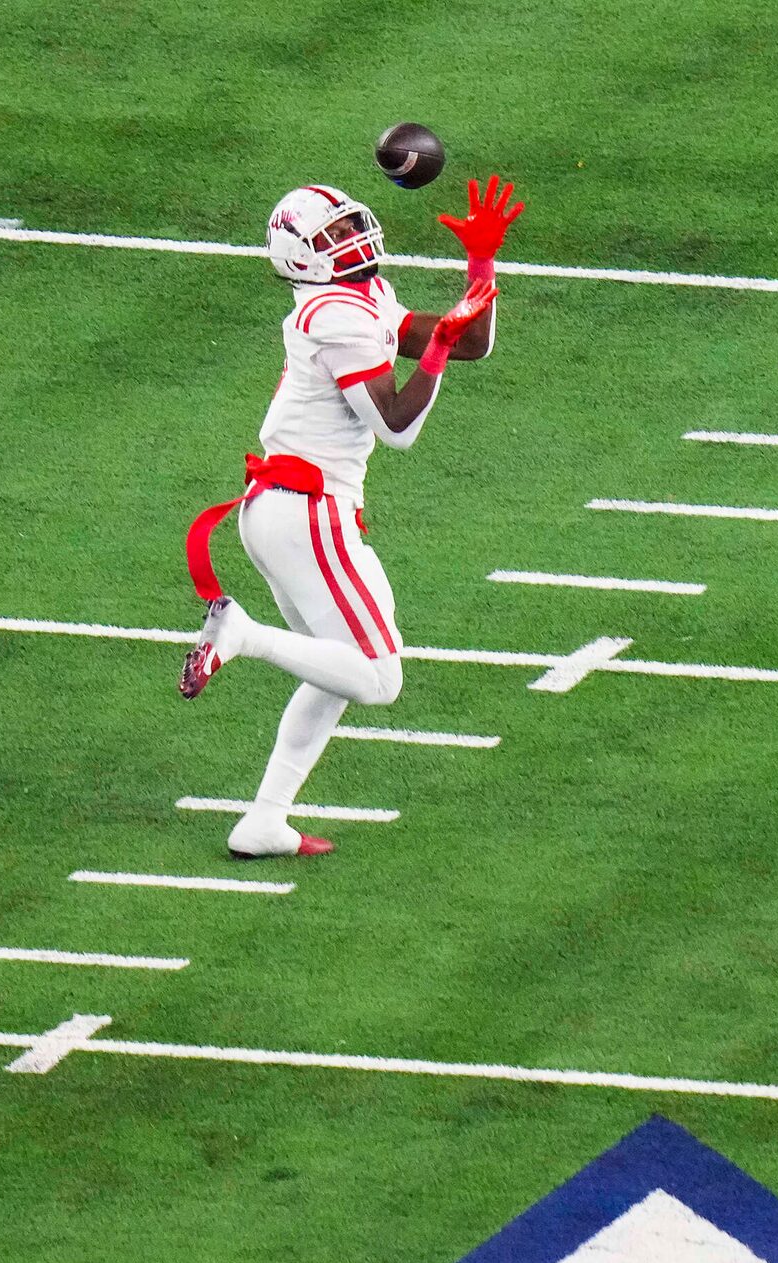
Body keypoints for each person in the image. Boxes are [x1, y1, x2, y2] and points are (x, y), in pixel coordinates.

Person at [180, 175, 522, 859]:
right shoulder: (331, 314)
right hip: (308, 512)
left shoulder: (360, 296)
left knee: (335, 670)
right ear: (301, 256)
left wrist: (481, 266)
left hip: (286, 511)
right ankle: (241, 635)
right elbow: (397, 425)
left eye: (346, 226)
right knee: (377, 676)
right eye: (331, 236)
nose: (349, 238)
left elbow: (470, 344)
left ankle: (264, 821)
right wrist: (431, 351)